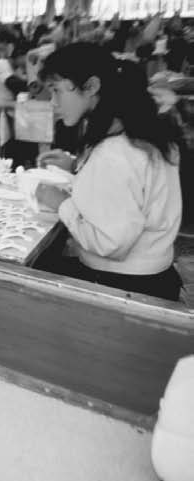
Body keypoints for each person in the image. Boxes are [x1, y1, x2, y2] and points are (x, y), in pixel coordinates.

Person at [34, 44, 183, 301]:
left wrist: (61, 204)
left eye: (57, 90)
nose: (54, 102)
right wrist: (75, 166)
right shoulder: (144, 131)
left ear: (91, 86)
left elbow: (110, 244)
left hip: (123, 287)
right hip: (155, 276)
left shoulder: (113, 153)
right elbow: (133, 185)